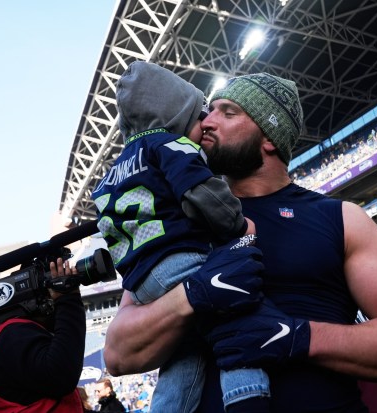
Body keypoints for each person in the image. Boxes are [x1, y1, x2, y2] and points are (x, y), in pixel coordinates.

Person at [103, 72, 377, 412]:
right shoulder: (179, 219)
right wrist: (192, 295)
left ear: (269, 136)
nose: (207, 120)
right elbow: (119, 354)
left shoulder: (341, 218)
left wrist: (296, 337)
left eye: (228, 111)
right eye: (208, 110)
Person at [91, 61, 268, 413]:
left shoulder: (113, 171)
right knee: (236, 314)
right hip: (181, 260)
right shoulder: (170, 144)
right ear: (176, 116)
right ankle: (248, 397)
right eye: (198, 114)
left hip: (141, 280)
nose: (204, 123)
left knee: (186, 352)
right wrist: (236, 226)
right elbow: (203, 192)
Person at [0, 258, 85, 412]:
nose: (53, 297)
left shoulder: (8, 335)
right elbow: (61, 375)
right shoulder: (11, 336)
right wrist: (68, 300)